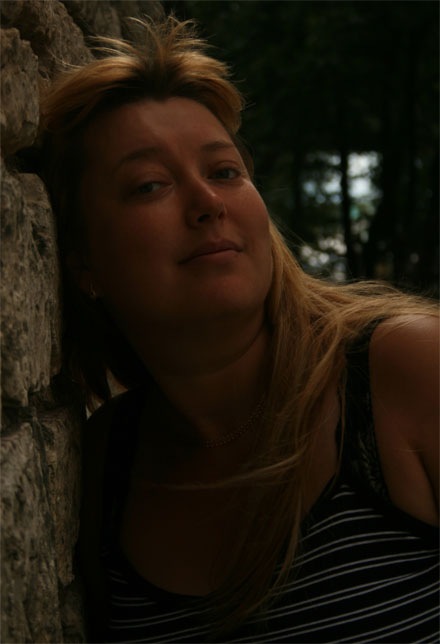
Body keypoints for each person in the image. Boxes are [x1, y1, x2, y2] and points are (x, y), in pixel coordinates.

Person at [40, 14, 439, 644]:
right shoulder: (105, 469)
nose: (208, 203)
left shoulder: (404, 372)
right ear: (84, 263)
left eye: (225, 171)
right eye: (149, 185)